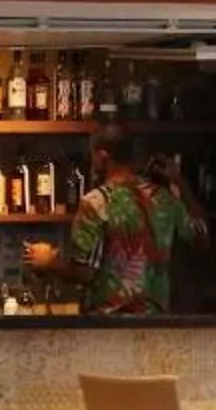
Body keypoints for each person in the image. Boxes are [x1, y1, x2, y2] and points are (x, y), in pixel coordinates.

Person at [35, 133, 192, 315]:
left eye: (92, 156)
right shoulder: (164, 199)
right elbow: (199, 236)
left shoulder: (96, 202)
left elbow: (84, 272)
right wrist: (179, 181)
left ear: (102, 156)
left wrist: (49, 263)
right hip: (156, 320)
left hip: (108, 322)